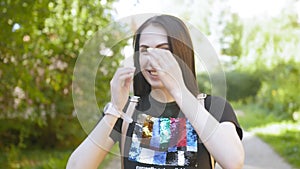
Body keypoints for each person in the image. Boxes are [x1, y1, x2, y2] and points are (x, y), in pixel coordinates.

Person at [67, 14, 244, 169]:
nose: (152, 58)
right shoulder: (127, 111)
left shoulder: (212, 107)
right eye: (144, 50)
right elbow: (76, 166)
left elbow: (234, 162)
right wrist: (115, 109)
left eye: (163, 49)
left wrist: (179, 90)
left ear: (181, 54)